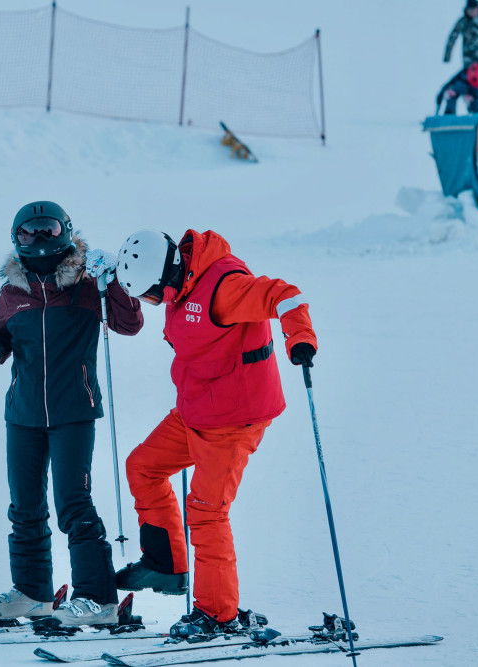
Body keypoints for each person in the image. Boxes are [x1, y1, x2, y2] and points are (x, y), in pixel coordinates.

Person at [110, 229, 318, 639]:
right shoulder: (183, 283)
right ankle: (165, 565)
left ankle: (217, 614)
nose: (155, 304)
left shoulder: (224, 288)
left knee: (205, 512)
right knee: (143, 467)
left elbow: (284, 294)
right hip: (197, 411)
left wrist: (301, 338)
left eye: (153, 295)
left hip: (232, 419)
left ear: (168, 273)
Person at [0, 202, 143, 627]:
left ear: (65, 232)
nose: (40, 239)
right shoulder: (11, 293)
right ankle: (32, 594)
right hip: (22, 414)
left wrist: (113, 280)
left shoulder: (86, 285)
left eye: (48, 229)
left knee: (73, 505)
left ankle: (98, 600)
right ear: (16, 238)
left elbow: (128, 324)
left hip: (73, 412)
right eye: (30, 232)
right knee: (24, 508)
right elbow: (3, 350)